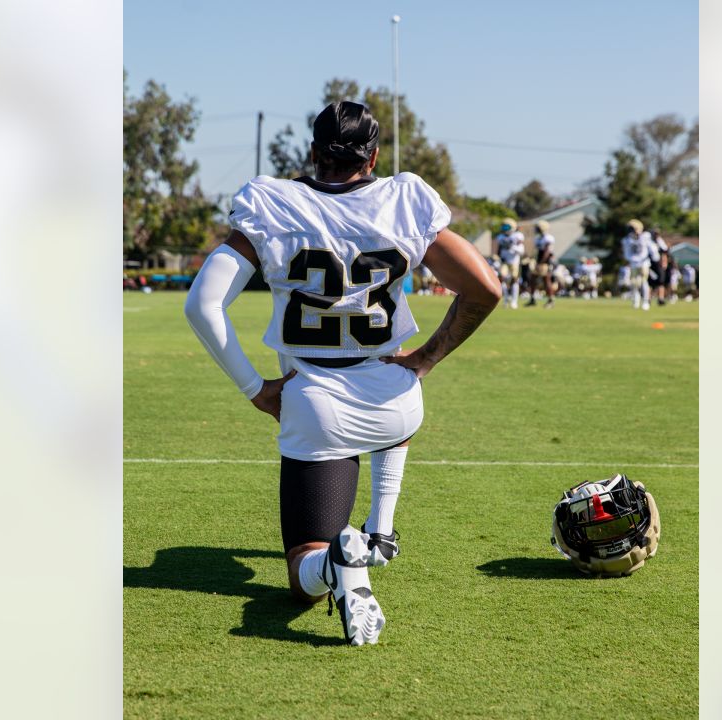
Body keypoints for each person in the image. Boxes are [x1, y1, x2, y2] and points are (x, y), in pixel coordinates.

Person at [183, 101, 501, 646]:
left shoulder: (274, 202)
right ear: (374, 155)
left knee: (301, 572)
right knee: (398, 400)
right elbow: (486, 288)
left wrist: (256, 389)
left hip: (317, 402)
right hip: (396, 400)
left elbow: (203, 305)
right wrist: (424, 359)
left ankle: (335, 565)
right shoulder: (404, 200)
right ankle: (380, 529)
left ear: (312, 152)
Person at [492, 218, 524, 309]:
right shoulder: (501, 237)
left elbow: (521, 250)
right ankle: (506, 298)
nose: (504, 228)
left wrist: (512, 247)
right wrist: (497, 257)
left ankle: (514, 301)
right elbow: (499, 250)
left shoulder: (518, 236)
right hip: (504, 261)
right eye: (503, 226)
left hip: (514, 261)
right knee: (501, 278)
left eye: (506, 227)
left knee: (514, 280)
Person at [622, 219, 653, 310]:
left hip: (644, 263)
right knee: (634, 283)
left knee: (643, 282)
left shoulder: (645, 237)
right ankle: (636, 300)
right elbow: (627, 253)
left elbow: (651, 249)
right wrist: (632, 260)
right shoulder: (627, 240)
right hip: (634, 264)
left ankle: (646, 301)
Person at [530, 220, 557, 308]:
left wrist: (541, 262)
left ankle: (551, 300)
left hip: (545, 262)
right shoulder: (538, 238)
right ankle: (532, 299)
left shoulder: (548, 238)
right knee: (533, 279)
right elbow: (537, 251)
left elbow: (547, 252)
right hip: (538, 261)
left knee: (546, 280)